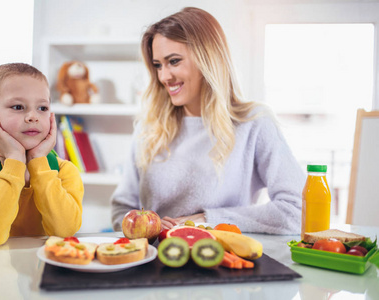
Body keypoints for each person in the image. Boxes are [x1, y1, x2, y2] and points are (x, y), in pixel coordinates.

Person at [111, 7, 305, 234]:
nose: (163, 76)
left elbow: (298, 211)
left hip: (223, 262)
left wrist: (208, 219)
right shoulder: (149, 127)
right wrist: (148, 227)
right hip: (157, 263)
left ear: (207, 59)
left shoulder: (254, 124)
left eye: (173, 61)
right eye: (158, 65)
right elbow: (121, 209)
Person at [0, 63, 83, 246]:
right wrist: (14, 160)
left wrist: (38, 162)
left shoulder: (64, 171)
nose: (32, 116)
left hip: (39, 270)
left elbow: (65, 231)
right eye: (18, 107)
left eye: (42, 108)